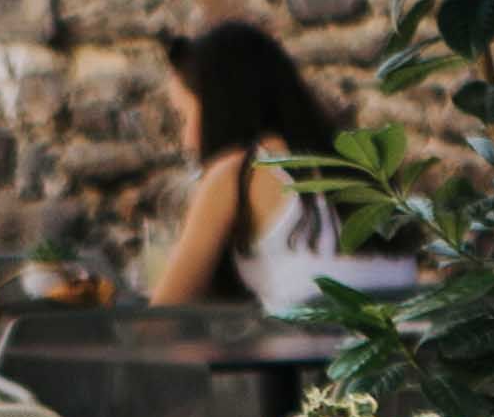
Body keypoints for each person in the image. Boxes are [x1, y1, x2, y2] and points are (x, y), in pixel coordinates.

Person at [142, 20, 399, 310]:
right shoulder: (361, 162)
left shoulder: (238, 174)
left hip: (307, 354)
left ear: (218, 108)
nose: (185, 139)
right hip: (401, 352)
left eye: (184, 117)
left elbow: (162, 319)